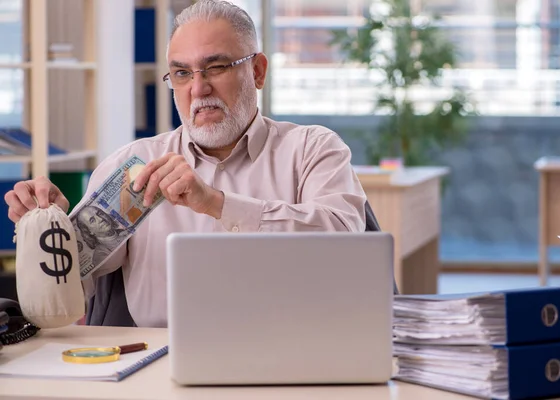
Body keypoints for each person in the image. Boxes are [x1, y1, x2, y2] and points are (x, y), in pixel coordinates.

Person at [3, 0, 367, 328]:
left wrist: (215, 203)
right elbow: (70, 291)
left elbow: (347, 246)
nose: (198, 88)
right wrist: (52, 231)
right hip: (159, 362)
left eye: (216, 67)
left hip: (294, 350)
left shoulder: (312, 148)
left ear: (257, 71)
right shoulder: (135, 165)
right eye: (181, 73)